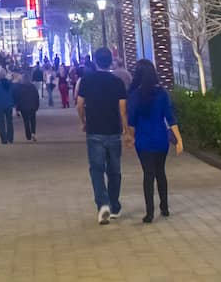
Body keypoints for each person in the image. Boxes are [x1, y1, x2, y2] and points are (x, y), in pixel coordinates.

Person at [77, 48, 129, 224]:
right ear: (110, 62)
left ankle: (102, 205)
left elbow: (79, 104)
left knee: (97, 170)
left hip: (94, 131)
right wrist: (127, 131)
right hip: (114, 131)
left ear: (96, 61)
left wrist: (83, 120)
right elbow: (123, 110)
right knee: (114, 170)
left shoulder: (87, 81)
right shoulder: (118, 82)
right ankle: (114, 206)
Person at [127, 59, 182, 223]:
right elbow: (170, 118)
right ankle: (164, 207)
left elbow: (131, 122)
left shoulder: (135, 95)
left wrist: (129, 137)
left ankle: (149, 213)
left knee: (148, 174)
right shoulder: (162, 94)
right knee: (161, 172)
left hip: (143, 141)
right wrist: (179, 140)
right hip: (160, 139)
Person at [13, 71, 41, 142]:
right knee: (33, 120)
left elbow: (17, 98)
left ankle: (28, 135)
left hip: (23, 107)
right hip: (32, 106)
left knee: (26, 122)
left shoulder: (19, 88)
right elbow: (36, 97)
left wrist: (17, 108)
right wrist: (37, 105)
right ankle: (33, 133)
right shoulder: (32, 87)